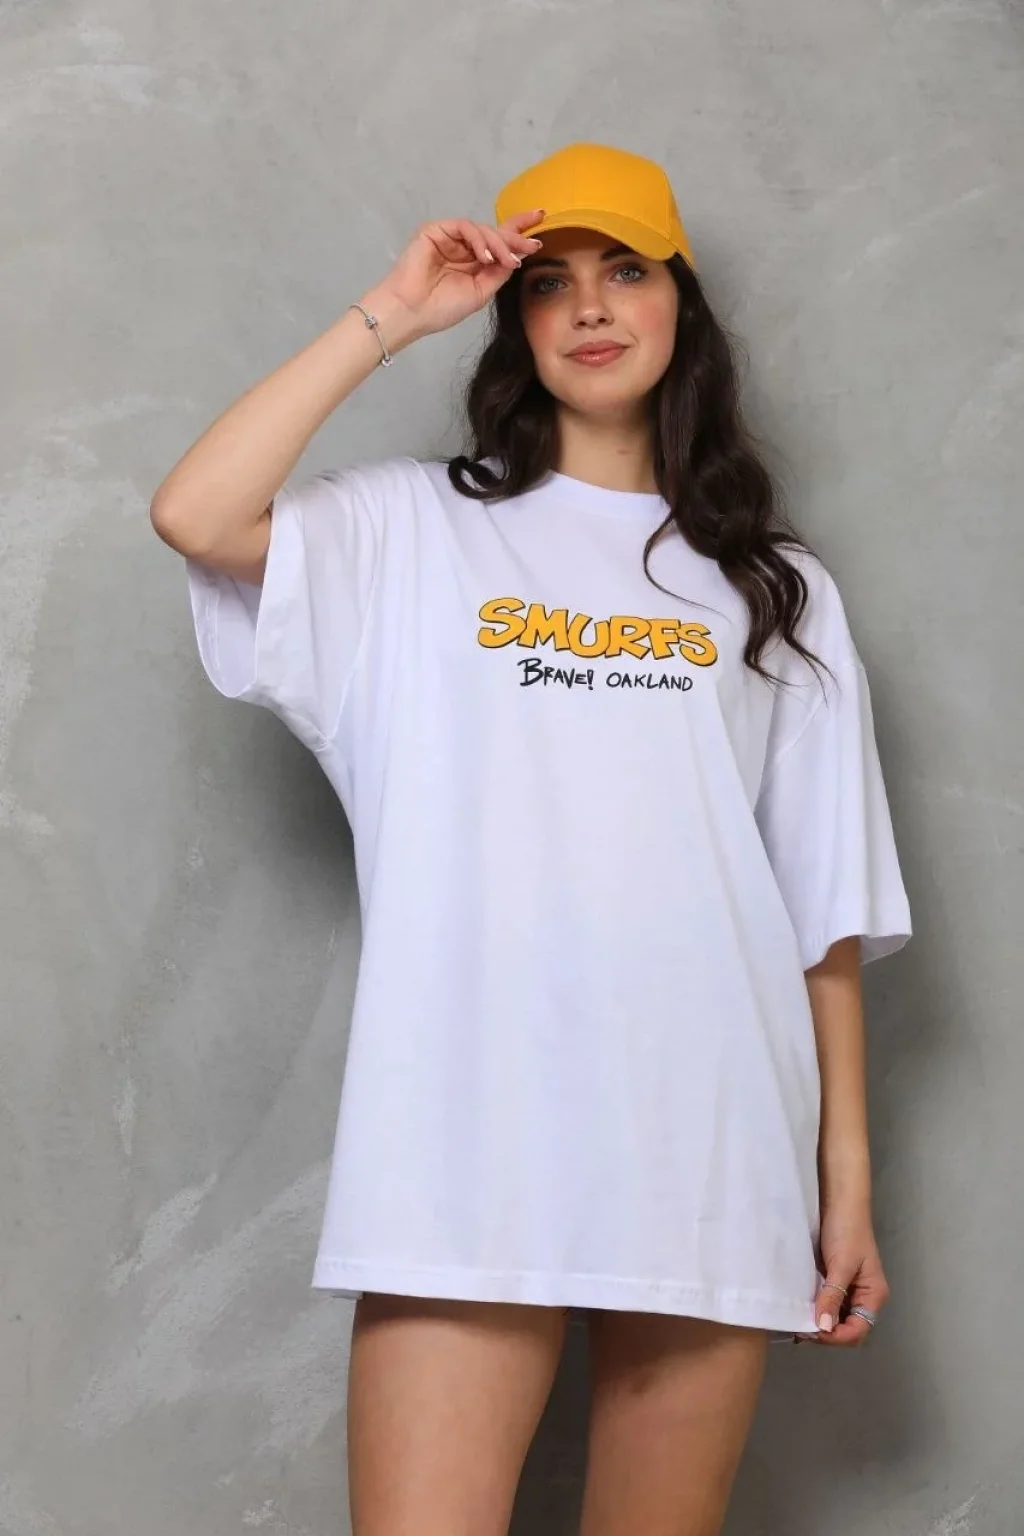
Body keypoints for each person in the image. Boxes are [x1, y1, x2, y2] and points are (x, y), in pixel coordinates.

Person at [151, 142, 912, 1536]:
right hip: (463, 1136)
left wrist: (845, 1186)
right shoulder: (408, 531)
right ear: (512, 321)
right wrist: (394, 312)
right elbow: (195, 514)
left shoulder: (775, 587)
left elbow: (823, 910)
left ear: (682, 303)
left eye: (626, 270)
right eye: (549, 282)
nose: (591, 306)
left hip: (709, 1137)